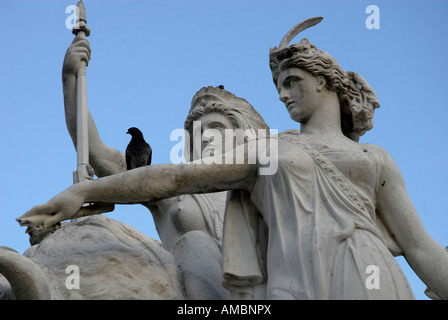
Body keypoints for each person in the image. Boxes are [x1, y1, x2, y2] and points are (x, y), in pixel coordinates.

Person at [18, 18, 448, 300]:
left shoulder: (370, 158)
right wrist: (83, 185)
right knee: (199, 246)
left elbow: (420, 245)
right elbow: (163, 176)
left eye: (293, 81)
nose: (283, 94)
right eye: (196, 135)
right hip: (273, 288)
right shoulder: (256, 160)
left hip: (366, 273)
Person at [56, 33, 270, 299]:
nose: (205, 137)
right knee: (196, 242)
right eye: (197, 133)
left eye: (216, 128)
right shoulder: (172, 187)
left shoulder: (272, 187)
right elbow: (94, 149)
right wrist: (70, 81)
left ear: (246, 136)